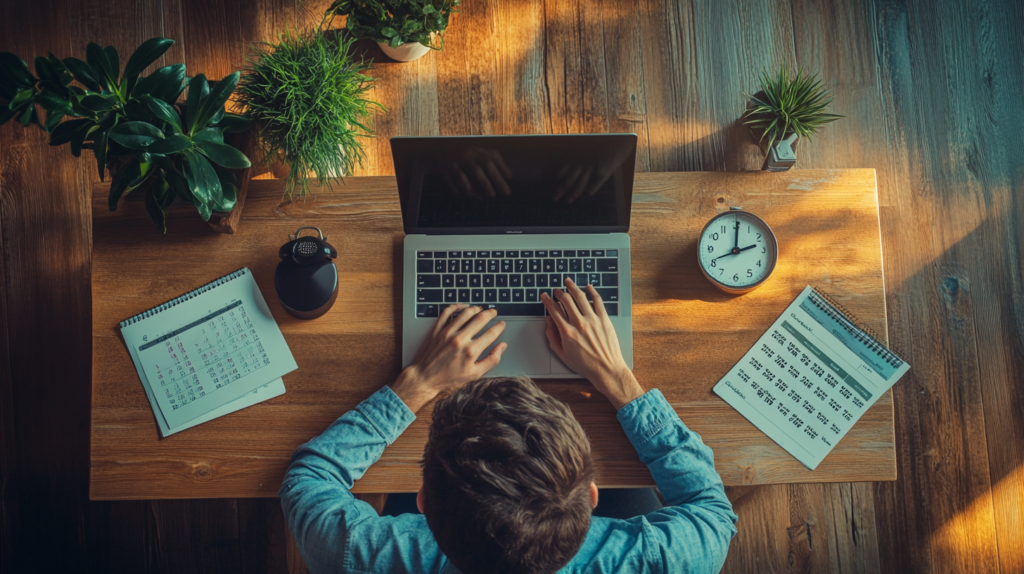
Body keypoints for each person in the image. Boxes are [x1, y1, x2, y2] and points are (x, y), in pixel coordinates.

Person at [280, 279, 738, 573]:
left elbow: (308, 478)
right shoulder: (648, 560)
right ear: (594, 498)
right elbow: (712, 512)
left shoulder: (365, 554)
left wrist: (415, 385)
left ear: (420, 503)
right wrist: (618, 379)